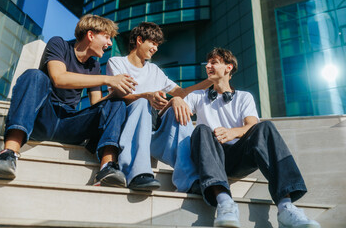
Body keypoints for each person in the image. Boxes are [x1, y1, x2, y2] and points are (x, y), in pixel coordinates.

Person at [0, 14, 137, 189]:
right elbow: (59, 78)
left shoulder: (94, 66)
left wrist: (115, 94)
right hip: (43, 118)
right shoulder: (59, 44)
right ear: (90, 35)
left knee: (116, 103)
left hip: (69, 124)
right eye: (106, 37)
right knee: (34, 76)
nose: (110, 43)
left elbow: (96, 103)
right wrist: (107, 79)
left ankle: (107, 167)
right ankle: (8, 154)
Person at [183, 48, 321, 228]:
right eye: (207, 63)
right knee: (201, 129)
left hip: (237, 158)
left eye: (214, 62)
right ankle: (225, 203)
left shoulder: (244, 97)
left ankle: (286, 207)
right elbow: (174, 111)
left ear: (228, 67)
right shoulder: (197, 96)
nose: (208, 66)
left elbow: (251, 125)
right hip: (210, 156)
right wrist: (178, 100)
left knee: (265, 127)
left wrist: (233, 132)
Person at [106, 22, 211, 191]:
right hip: (127, 125)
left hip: (152, 128)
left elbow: (182, 92)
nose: (155, 48)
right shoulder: (117, 62)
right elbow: (118, 96)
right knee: (141, 103)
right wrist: (146, 96)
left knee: (180, 107)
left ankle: (190, 180)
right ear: (139, 40)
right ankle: (137, 173)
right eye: (152, 43)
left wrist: (212, 81)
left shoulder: (154, 70)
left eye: (157, 45)